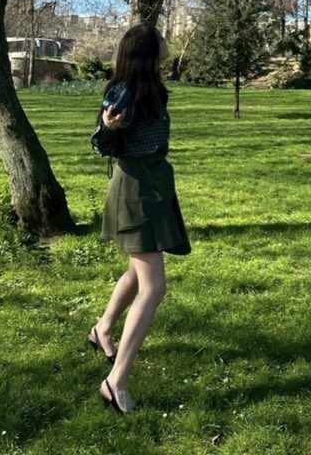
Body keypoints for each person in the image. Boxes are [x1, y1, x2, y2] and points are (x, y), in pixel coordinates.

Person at [89, 23, 190, 414]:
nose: (166, 41)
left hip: (153, 184)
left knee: (137, 272)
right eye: (161, 38)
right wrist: (107, 127)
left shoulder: (150, 88)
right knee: (153, 287)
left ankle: (102, 329)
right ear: (147, 50)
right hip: (135, 190)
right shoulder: (125, 92)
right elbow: (102, 144)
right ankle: (115, 381)